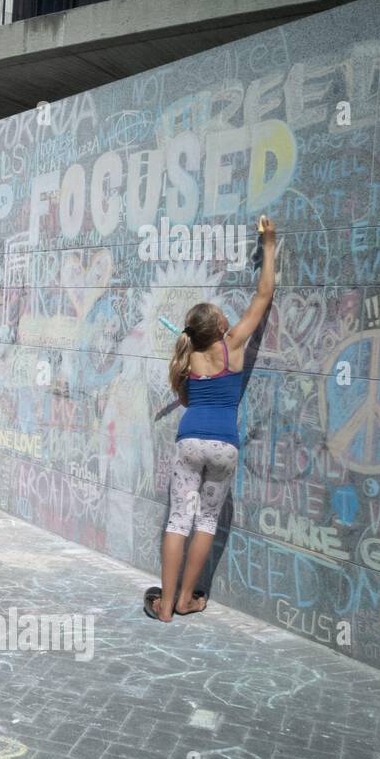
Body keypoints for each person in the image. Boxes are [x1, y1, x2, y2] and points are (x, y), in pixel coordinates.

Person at [146, 216, 278, 622]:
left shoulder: (187, 356)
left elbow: (185, 398)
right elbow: (264, 294)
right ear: (220, 326)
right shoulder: (232, 345)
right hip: (224, 444)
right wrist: (268, 244)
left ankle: (165, 606)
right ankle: (187, 599)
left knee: (177, 521)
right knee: (205, 522)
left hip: (189, 442)